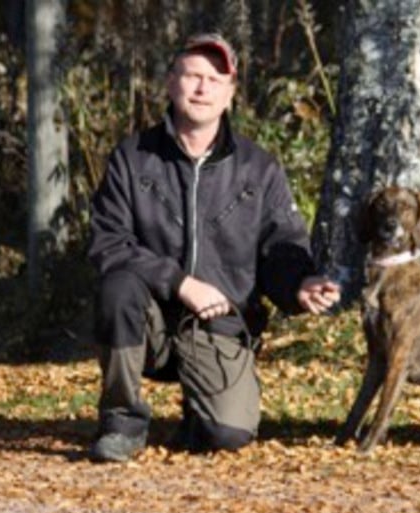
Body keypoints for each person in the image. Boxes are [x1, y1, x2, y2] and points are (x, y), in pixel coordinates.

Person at [87, 33, 341, 462]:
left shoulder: (259, 168)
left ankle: (200, 411)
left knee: (227, 435)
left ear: (230, 94)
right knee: (118, 288)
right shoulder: (132, 158)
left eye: (215, 79)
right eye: (193, 76)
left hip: (221, 325)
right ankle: (122, 422)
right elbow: (107, 243)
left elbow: (282, 245)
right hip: (148, 322)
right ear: (171, 83)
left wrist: (299, 283)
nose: (203, 88)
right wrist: (180, 283)